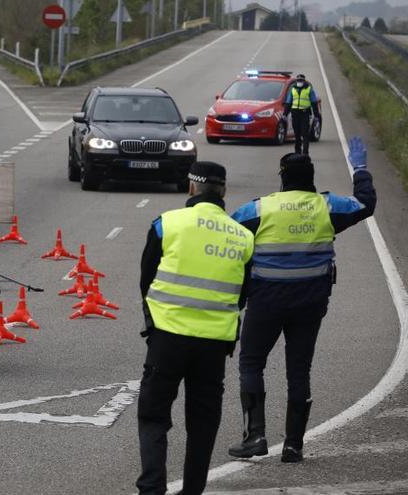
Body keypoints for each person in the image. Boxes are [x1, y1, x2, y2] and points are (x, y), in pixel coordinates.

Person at [228, 139, 376, 463]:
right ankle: (294, 444)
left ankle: (255, 435)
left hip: (265, 301)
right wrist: (360, 168)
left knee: (252, 363)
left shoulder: (259, 209)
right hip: (310, 304)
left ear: (282, 178)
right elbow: (366, 204)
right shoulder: (328, 206)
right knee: (299, 370)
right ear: (312, 177)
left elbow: (229, 234)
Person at [137, 162, 254, 495]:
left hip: (167, 339)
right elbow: (243, 295)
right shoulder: (243, 237)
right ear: (224, 192)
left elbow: (146, 282)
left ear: (191, 187)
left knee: (153, 416)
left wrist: (154, 323)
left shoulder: (167, 225)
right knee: (203, 424)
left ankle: (152, 488)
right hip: (214, 346)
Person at [282, 74, 321, 155]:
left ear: (304, 81)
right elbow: (288, 103)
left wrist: (316, 115)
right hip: (295, 114)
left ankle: (305, 153)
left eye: (301, 80)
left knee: (304, 134)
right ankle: (297, 152)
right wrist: (285, 114)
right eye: (298, 80)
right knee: (297, 134)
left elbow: (314, 102)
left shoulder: (309, 89)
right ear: (296, 81)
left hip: (305, 114)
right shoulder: (293, 89)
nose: (300, 82)